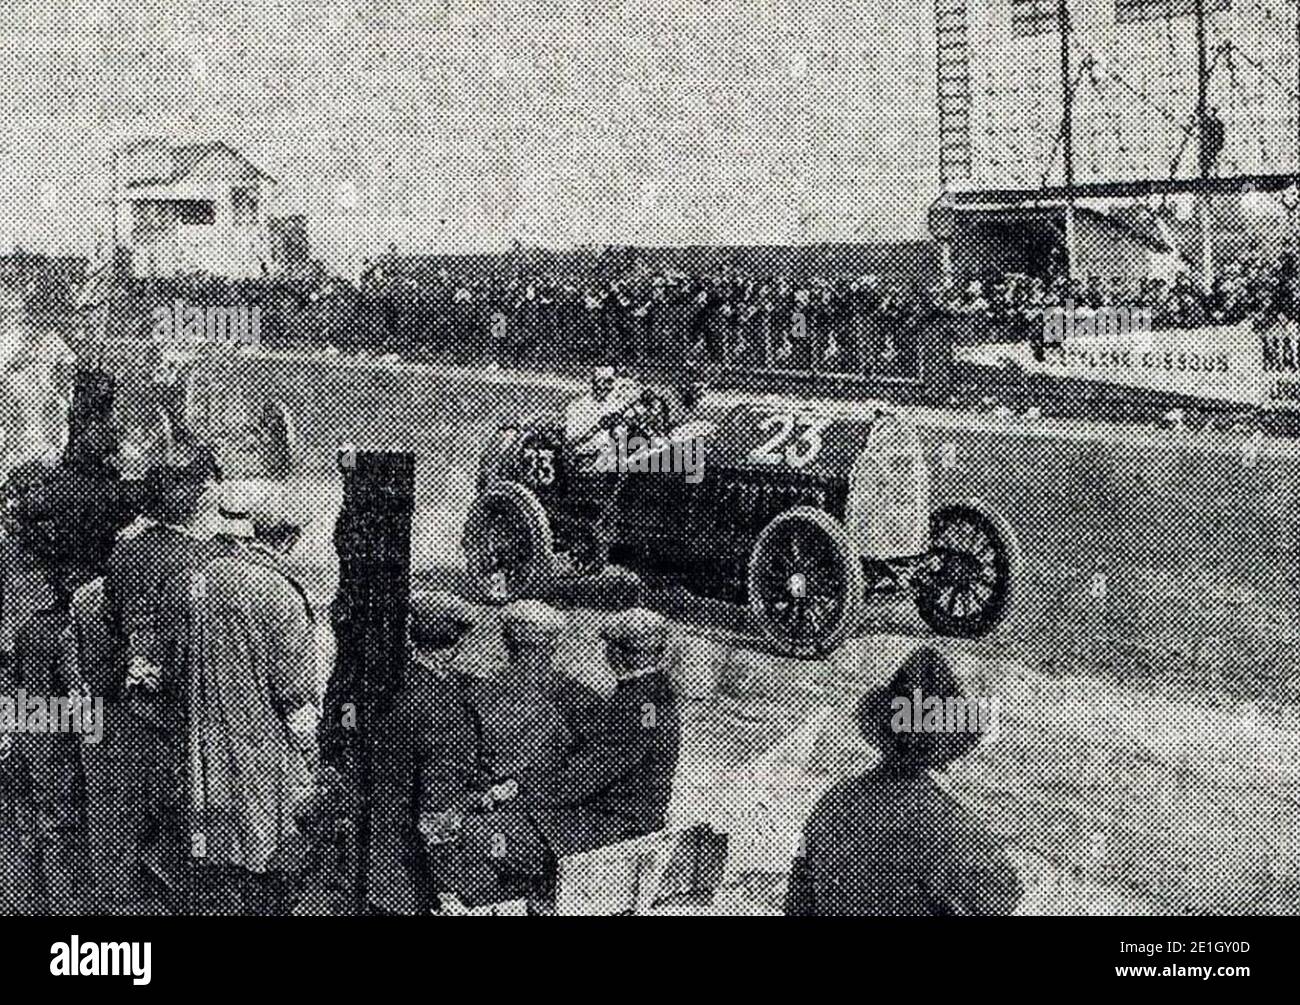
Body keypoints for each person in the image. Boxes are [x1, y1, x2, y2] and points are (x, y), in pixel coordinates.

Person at [784, 646, 1022, 917]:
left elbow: (797, 901)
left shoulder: (834, 801)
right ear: (944, 747)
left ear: (882, 731)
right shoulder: (946, 822)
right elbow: (1002, 896)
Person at [182, 500, 320, 915]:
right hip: (262, 748)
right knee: (271, 860)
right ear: (288, 539)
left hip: (205, 741)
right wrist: (314, 755)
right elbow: (295, 695)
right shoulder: (281, 592)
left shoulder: (202, 578)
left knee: (218, 858)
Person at [366, 591, 480, 915]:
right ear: (457, 644)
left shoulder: (381, 686)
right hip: (408, 880)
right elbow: (439, 812)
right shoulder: (447, 710)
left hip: (363, 860)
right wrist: (448, 891)